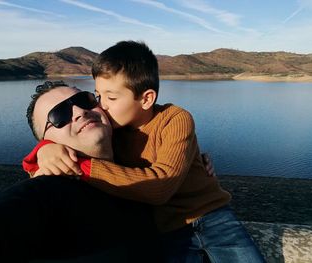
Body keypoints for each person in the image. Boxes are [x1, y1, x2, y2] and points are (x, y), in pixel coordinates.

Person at [23, 41, 266, 262]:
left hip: (214, 217)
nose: (101, 105)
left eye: (111, 97)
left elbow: (161, 186)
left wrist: (83, 167)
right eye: (98, 96)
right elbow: (55, 158)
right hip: (169, 231)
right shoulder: (113, 131)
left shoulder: (175, 118)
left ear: (146, 99)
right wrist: (45, 149)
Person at [0, 83, 163, 262]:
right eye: (59, 115)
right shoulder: (49, 191)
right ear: (46, 140)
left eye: (83, 100)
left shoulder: (144, 159)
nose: (79, 111)